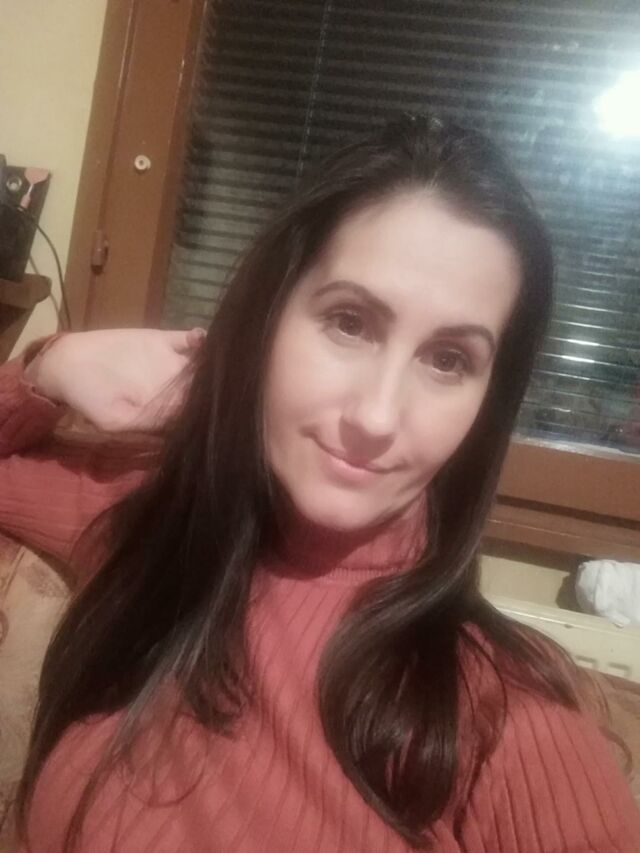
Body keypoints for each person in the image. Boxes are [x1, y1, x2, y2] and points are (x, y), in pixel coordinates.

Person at [1, 114, 638, 852]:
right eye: (349, 322)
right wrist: (51, 366)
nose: (376, 416)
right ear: (269, 317)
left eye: (449, 360)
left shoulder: (510, 720)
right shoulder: (152, 519)